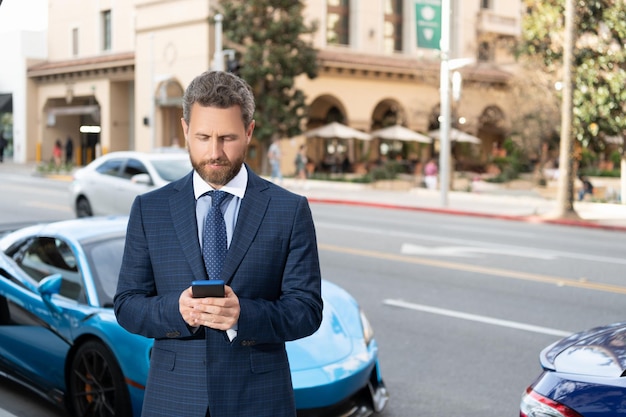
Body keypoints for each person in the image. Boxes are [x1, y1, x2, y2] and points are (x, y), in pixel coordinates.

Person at [114, 70, 323, 417]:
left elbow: (307, 310)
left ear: (250, 132)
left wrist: (244, 314)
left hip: (259, 401)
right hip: (173, 401)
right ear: (184, 131)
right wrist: (175, 311)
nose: (214, 152)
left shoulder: (290, 210)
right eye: (202, 137)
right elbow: (127, 304)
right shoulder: (149, 209)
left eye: (227, 137)